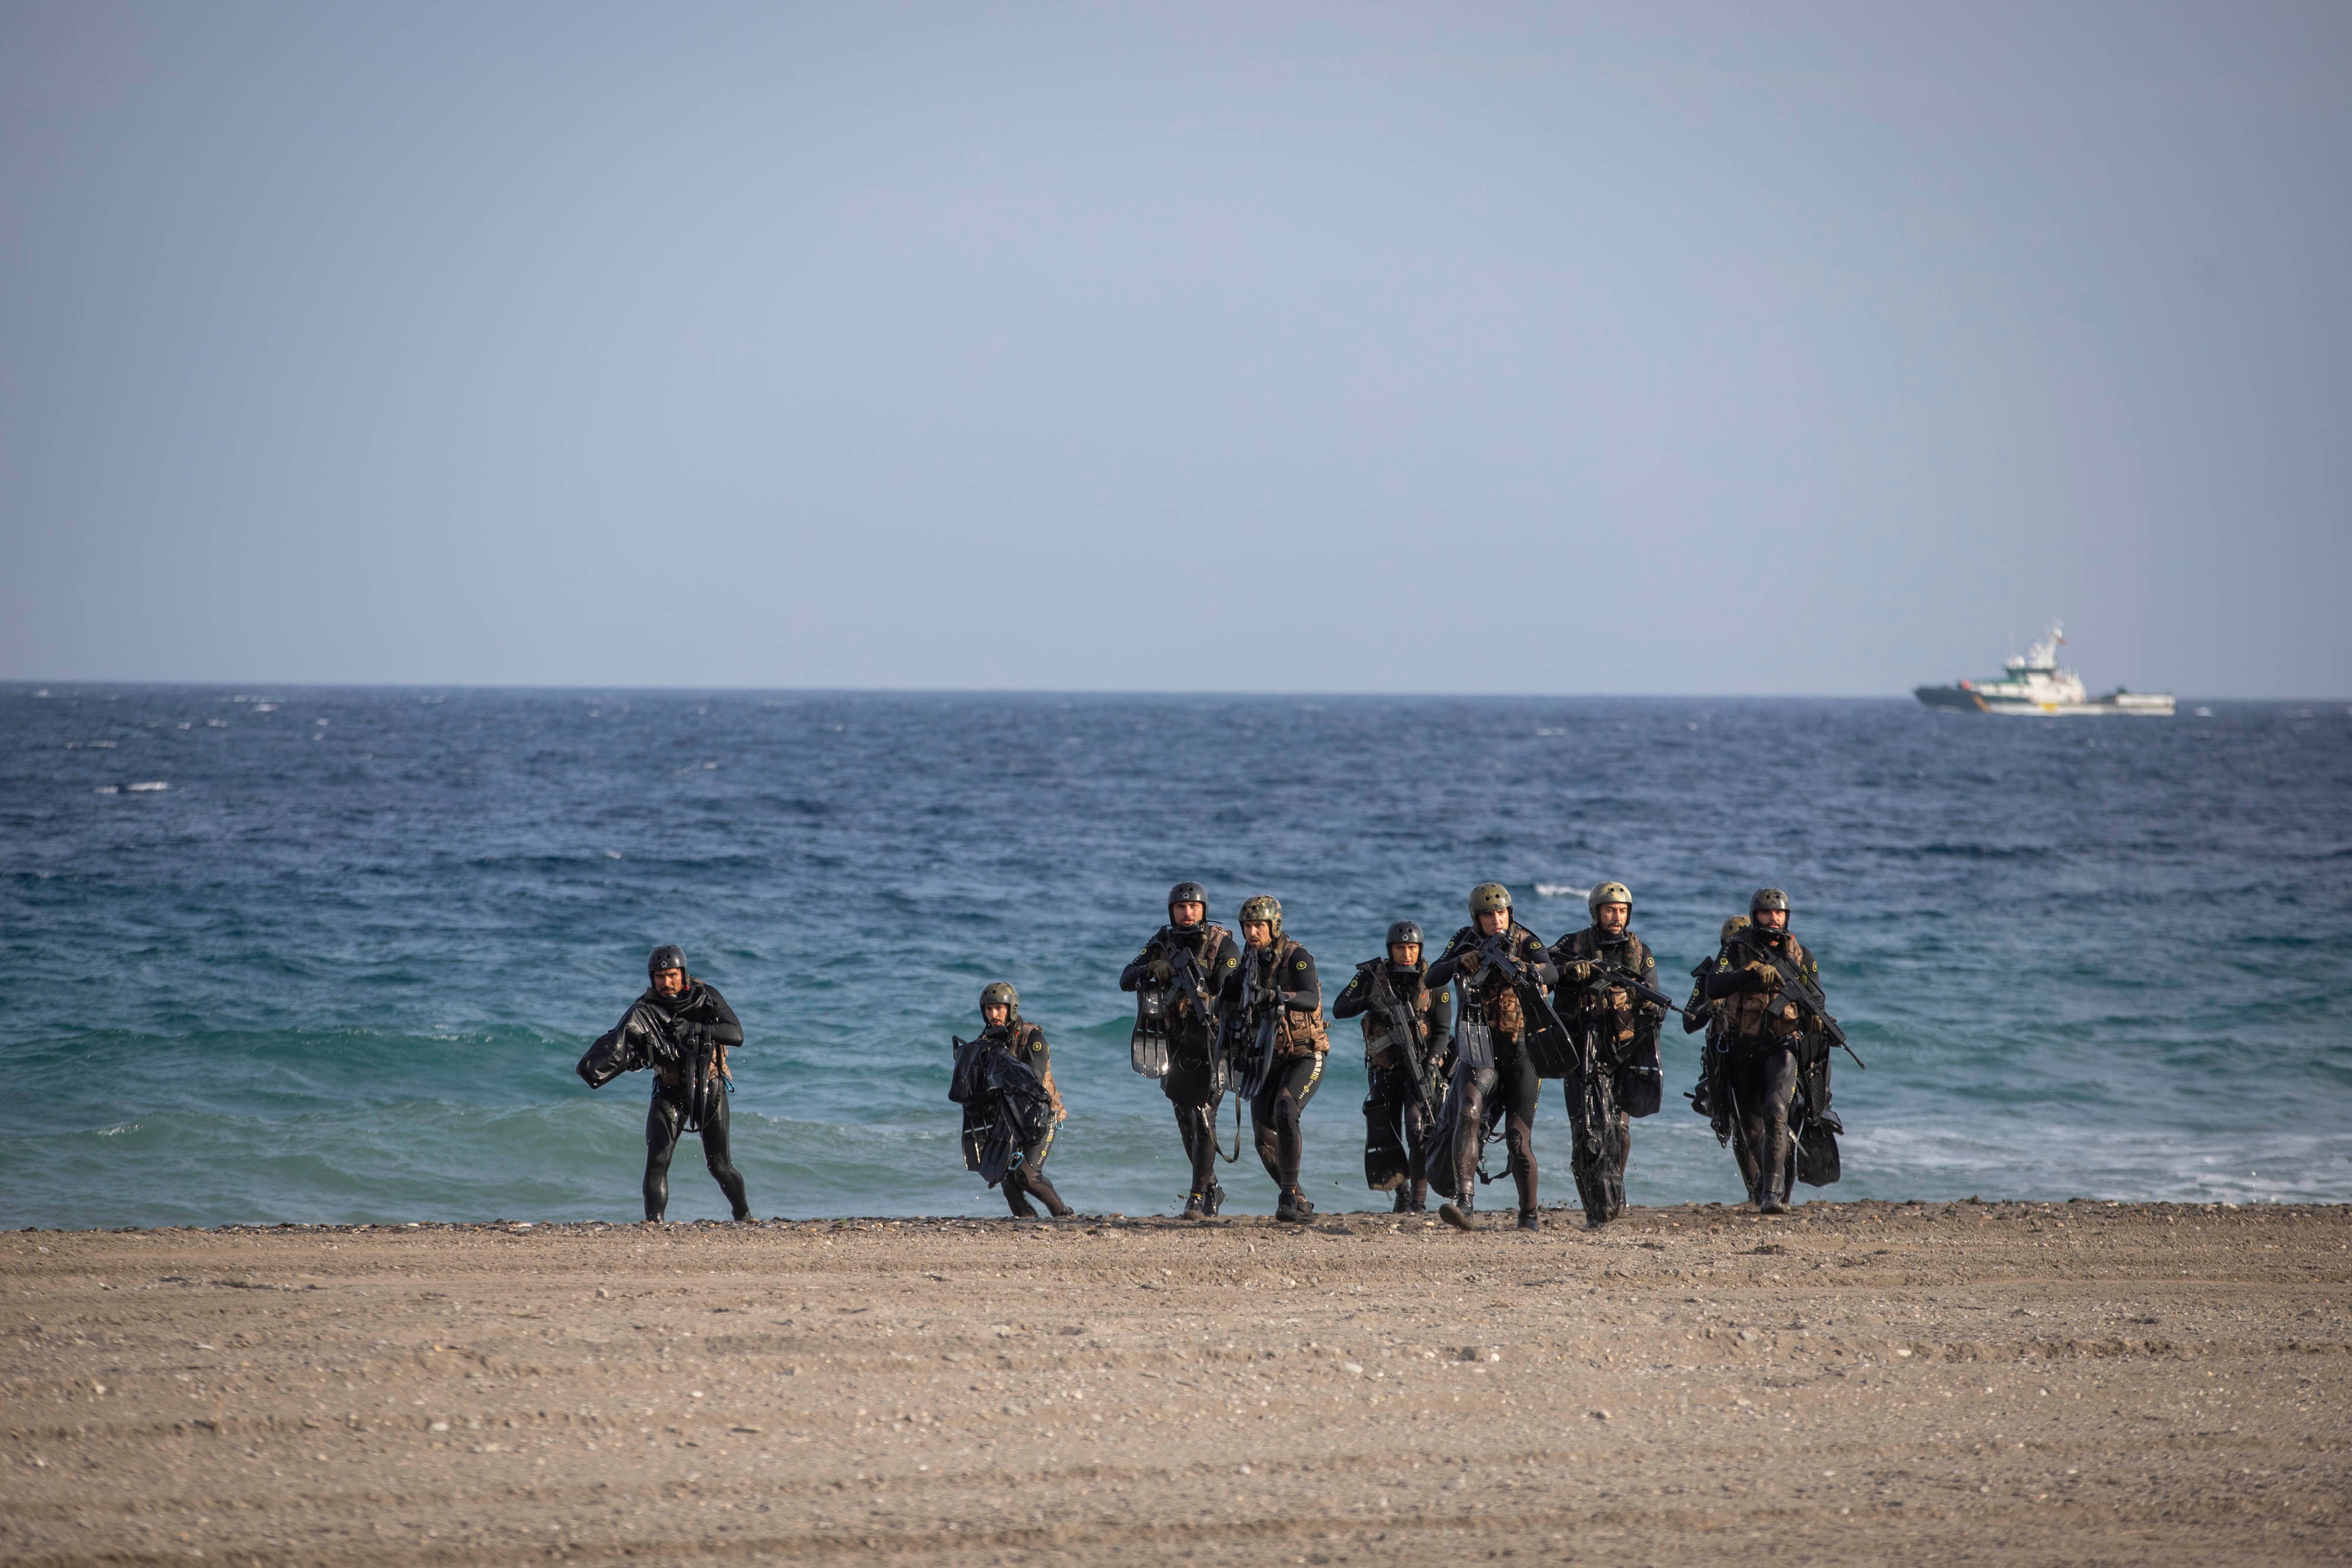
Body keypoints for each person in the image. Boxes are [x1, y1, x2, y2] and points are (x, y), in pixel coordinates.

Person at [1425, 883, 1556, 1231]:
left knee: (1517, 1138)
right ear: (1476, 919)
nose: (1497, 920)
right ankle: (1464, 1204)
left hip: (1522, 1052)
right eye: (1488, 915)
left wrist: (1528, 971)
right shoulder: (1464, 939)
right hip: (1479, 1047)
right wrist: (1459, 962)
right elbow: (1431, 975)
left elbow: (1551, 970)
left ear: (1509, 913)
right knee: (1468, 1110)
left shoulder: (1526, 940)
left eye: (1501, 913)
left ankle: (1528, 1215)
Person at [1119, 881, 1244, 1219]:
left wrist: (1185, 972)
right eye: (1180, 907)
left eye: (1194, 907)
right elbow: (1126, 978)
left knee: (1205, 1117)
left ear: (1204, 909)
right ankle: (1212, 1187)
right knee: (1186, 1120)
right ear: (1171, 911)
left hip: (1215, 1044)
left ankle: (1196, 1196)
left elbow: (1224, 984)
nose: (1187, 913)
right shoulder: (1162, 943)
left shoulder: (1224, 944)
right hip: (1174, 1045)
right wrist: (1153, 969)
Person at [1699, 889, 1828, 1214]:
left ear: (1787, 917)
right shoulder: (1736, 949)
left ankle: (1772, 1195)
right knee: (1752, 1129)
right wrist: (1750, 973)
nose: (1774, 919)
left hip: (1782, 1046)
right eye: (1767, 913)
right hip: (1742, 1047)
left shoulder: (1802, 956)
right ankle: (1762, 1187)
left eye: (1779, 914)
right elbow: (1713, 986)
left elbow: (1817, 998)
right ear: (1755, 916)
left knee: (1777, 1110)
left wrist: (1813, 1017)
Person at [1549, 882, 1665, 1228]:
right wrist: (1571, 971)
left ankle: (1612, 1191)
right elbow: (1544, 968)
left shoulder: (1640, 952)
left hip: (1624, 1051)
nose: (1617, 917)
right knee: (1585, 1132)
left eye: (1622, 910)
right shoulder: (1573, 944)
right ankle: (1594, 1211)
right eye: (1610, 910)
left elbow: (1655, 1001)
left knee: (1618, 1130)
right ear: (1596, 912)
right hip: (1581, 1047)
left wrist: (1638, 998)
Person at [1220, 895, 1330, 1222]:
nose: (1252, 933)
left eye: (1259, 926)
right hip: (1266, 1058)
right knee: (1262, 1138)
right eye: (1247, 927)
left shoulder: (1296, 957)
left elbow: (1310, 998)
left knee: (1285, 1108)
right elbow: (1227, 1002)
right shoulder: (1248, 963)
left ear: (1274, 926)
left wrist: (1276, 996)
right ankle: (1300, 1201)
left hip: (1305, 1054)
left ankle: (1285, 1197)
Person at [1331, 920, 1454, 1212]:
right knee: (1387, 1134)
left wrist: (1430, 1063)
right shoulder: (1371, 975)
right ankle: (1402, 1191)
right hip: (1384, 1070)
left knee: (1417, 1130)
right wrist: (1368, 1002)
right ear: (1391, 949)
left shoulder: (1434, 981)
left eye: (1412, 948)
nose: (1406, 954)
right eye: (1400, 948)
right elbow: (1339, 1008)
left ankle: (1419, 1202)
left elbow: (1443, 1031)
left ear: (1420, 949)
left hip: (1419, 1070)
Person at [629, 944, 750, 1223]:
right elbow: (625, 1044)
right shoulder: (645, 1008)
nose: (667, 983)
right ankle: (654, 1223)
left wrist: (695, 1029)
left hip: (710, 1086)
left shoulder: (707, 996)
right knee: (658, 1160)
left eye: (672, 975)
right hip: (668, 1090)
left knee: (719, 1166)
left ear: (683, 974)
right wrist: (633, 1058)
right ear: (652, 979)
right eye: (660, 977)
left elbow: (736, 1034)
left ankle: (744, 1217)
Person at [956, 982, 1073, 1219]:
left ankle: (1065, 1217)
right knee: (1007, 1179)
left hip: (1042, 1115)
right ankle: (1029, 1226)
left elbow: (1033, 1079)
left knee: (1027, 1176)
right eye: (989, 1009)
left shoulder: (1033, 1038)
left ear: (1012, 1009)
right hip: (1010, 1120)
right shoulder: (985, 1042)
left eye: (999, 1008)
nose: (994, 1014)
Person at [1682, 914, 1749, 1148]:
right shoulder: (1711, 976)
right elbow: (1688, 1023)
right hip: (1724, 1057)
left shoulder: (1764, 973)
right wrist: (1709, 1004)